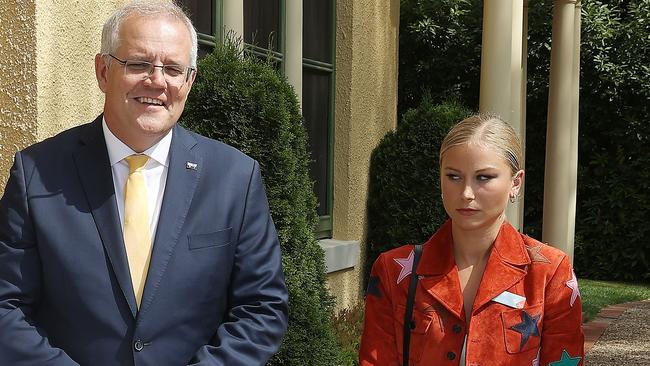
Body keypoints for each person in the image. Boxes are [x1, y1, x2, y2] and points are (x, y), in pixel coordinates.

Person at [0, 1, 288, 365]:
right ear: (103, 71)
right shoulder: (37, 173)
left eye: (172, 68)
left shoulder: (235, 178)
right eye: (138, 64)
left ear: (189, 80)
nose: (157, 81)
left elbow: (261, 308)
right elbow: (5, 306)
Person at [359, 115, 584, 365]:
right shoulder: (394, 272)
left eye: (483, 177)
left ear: (516, 183)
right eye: (454, 176)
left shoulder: (548, 273)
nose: (466, 193)